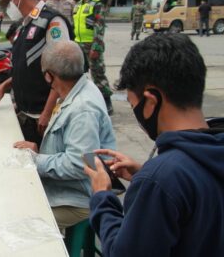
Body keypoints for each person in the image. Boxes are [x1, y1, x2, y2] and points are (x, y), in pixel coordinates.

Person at [84, 33, 224, 256]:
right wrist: (143, 173)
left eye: (133, 105)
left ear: (151, 100)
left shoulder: (161, 180)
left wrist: (102, 195)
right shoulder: (211, 150)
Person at [14, 41, 115, 230]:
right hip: (69, 189)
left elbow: (79, 165)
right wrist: (39, 151)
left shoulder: (83, 109)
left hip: (78, 198)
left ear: (48, 76)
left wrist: (36, 160)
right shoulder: (79, 89)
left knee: (20, 217)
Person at [0, 0, 74, 148]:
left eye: (9, 0)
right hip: (28, 113)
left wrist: (47, 113)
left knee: (43, 167)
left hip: (43, 117)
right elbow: (28, 66)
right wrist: (5, 84)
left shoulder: (52, 22)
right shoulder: (26, 24)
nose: (10, 6)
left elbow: (62, 72)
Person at [72, 0, 113, 115]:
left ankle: (106, 101)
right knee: (78, 74)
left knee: (98, 73)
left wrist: (96, 47)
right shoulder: (77, 5)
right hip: (78, 45)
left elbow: (99, 27)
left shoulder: (96, 4)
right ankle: (84, 100)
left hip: (91, 44)